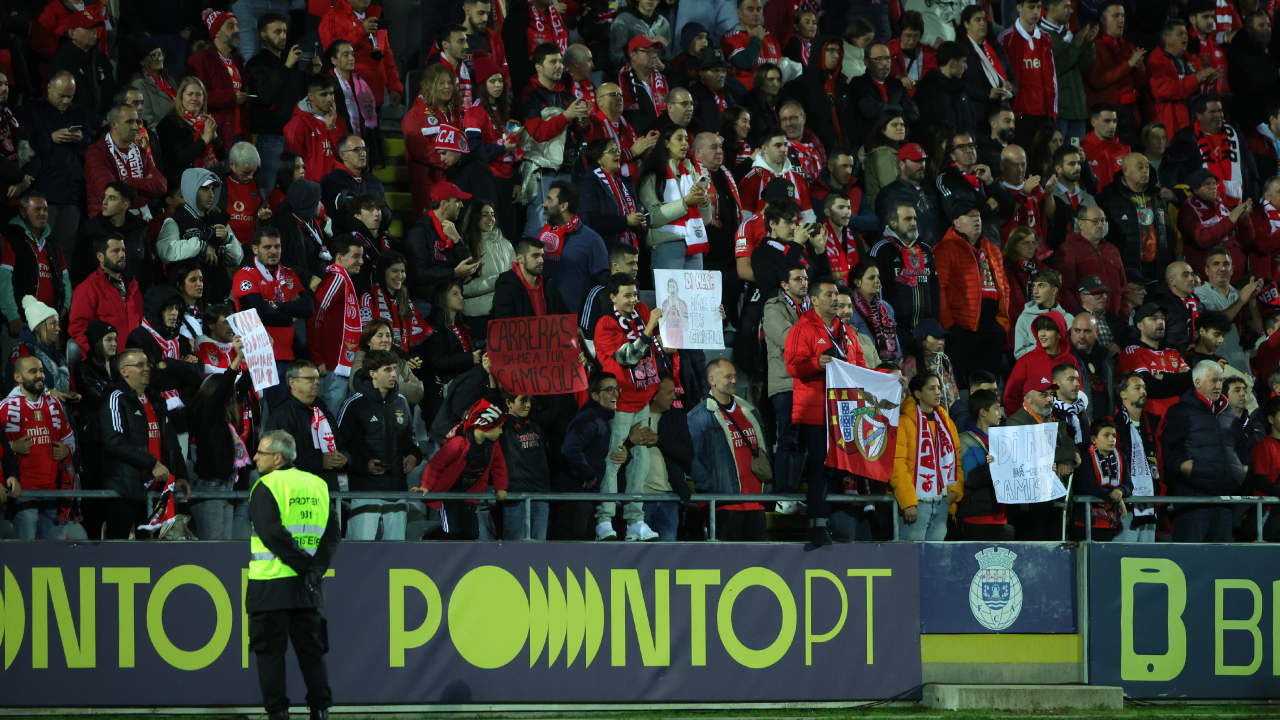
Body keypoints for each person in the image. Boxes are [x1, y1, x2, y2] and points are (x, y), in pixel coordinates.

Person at [246, 429, 340, 720]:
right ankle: (321, 710)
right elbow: (333, 534)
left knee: (270, 655)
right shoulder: (318, 484)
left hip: (270, 585)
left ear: (277, 458)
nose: (254, 457)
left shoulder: (266, 485)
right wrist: (314, 569)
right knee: (312, 654)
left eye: (260, 453)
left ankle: (278, 714)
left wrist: (303, 566)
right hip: (307, 587)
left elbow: (271, 533)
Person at [785, 278, 867, 546]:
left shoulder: (848, 332)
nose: (835, 298)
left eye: (837, 294)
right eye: (829, 294)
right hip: (816, 410)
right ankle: (817, 524)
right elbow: (793, 367)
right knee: (821, 466)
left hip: (843, 410)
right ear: (814, 300)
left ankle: (827, 521)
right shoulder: (803, 329)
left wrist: (889, 378)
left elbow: (862, 367)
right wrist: (816, 363)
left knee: (837, 468)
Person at [99, 348, 191, 539]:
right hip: (124, 490)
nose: (147, 368)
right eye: (139, 365)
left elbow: (171, 442)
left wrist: (180, 474)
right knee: (116, 553)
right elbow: (115, 442)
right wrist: (152, 463)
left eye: (147, 364)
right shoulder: (115, 398)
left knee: (150, 555)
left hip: (156, 491)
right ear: (124, 371)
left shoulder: (156, 399)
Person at [337, 349, 421, 541]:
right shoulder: (353, 404)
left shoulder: (401, 402)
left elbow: (410, 438)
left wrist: (414, 454)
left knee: (396, 554)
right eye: (387, 370)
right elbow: (340, 448)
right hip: (366, 491)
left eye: (395, 369)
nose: (393, 374)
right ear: (373, 373)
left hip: (397, 490)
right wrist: (363, 465)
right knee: (360, 553)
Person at [1161, 360, 1247, 542]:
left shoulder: (1228, 412)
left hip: (1224, 498)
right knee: (1192, 560)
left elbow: (1241, 445)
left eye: (1221, 381)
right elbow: (1166, 447)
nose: (1218, 386)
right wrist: (1182, 467)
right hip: (1193, 501)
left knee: (1220, 562)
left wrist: (1243, 468)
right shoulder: (1180, 411)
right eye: (1213, 380)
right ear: (1198, 382)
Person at [232, 227, 314, 410]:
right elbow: (259, 312)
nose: (273, 251)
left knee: (280, 417)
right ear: (255, 249)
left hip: (286, 357)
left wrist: (277, 306)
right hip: (257, 357)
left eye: (277, 246)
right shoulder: (244, 275)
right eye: (267, 247)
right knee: (257, 418)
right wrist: (291, 315)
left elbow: (308, 308)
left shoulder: (289, 274)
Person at [688, 358, 769, 540]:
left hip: (755, 502)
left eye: (735, 376)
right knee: (728, 563)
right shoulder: (698, 416)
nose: (734, 380)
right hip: (724, 505)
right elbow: (690, 457)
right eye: (728, 377)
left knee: (758, 564)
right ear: (712, 380)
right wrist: (712, 486)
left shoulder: (750, 410)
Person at [518, 44, 592, 239]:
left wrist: (584, 122)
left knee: (565, 226)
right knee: (538, 225)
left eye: (560, 61)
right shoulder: (529, 94)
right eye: (553, 62)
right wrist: (566, 116)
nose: (559, 66)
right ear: (538, 67)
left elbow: (579, 134)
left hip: (568, 170)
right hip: (543, 171)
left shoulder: (568, 96)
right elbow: (538, 134)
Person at [2, 355, 78, 540]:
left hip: (54, 491)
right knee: (26, 554)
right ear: (18, 377)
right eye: (33, 371)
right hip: (23, 492)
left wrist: (67, 449)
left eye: (41, 371)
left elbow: (69, 436)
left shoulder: (54, 404)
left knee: (55, 555)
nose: (39, 376)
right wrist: (12, 446)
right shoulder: (5, 407)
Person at [246, 13, 325, 190]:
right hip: (271, 138)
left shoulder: (296, 61)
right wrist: (287, 66)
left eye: (284, 31)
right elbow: (266, 95)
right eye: (276, 31)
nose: (282, 35)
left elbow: (307, 96)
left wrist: (315, 73)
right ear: (263, 35)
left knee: (297, 189)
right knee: (269, 188)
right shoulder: (256, 64)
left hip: (297, 136)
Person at [23, 71, 96, 259]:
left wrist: (80, 139)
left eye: (69, 96)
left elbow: (91, 148)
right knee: (38, 249)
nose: (65, 101)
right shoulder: (33, 109)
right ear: (49, 88)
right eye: (61, 95)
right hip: (44, 192)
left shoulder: (78, 112)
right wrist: (51, 138)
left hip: (72, 194)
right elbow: (26, 147)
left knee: (65, 251)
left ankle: (62, 288)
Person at [934, 203, 1009, 384]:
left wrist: (1001, 324)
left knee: (988, 385)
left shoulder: (992, 249)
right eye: (969, 216)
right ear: (956, 223)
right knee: (957, 387)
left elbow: (1004, 287)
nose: (977, 219)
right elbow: (939, 289)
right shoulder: (945, 248)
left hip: (991, 328)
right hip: (960, 329)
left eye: (978, 216)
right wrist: (949, 327)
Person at [414, 398, 508, 539]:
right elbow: (434, 465)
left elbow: (499, 465)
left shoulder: (493, 445)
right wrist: (426, 486)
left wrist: (501, 487)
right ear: (485, 425)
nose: (501, 432)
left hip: (469, 496)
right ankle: (428, 538)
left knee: (471, 533)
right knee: (451, 531)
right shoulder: (458, 444)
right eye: (498, 427)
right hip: (448, 495)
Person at [187, 333, 251, 540]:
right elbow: (225, 390)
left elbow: (241, 387)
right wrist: (237, 360)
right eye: (229, 396)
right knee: (213, 549)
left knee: (225, 548)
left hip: (226, 485)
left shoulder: (222, 420)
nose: (234, 399)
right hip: (210, 486)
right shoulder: (205, 414)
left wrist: (259, 354)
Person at [1006, 374, 1078, 539]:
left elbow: (1073, 448)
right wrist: (1069, 454)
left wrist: (1066, 463)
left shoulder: (1056, 421)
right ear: (1028, 398)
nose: (1049, 399)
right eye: (1043, 394)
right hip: (1029, 505)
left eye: (1051, 394)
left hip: (1055, 499)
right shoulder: (1016, 422)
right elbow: (1033, 454)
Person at [891, 372, 961, 540]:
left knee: (934, 561)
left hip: (942, 500)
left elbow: (956, 459)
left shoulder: (946, 422)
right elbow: (897, 465)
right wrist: (908, 502)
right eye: (931, 388)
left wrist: (954, 492)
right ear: (917, 394)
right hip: (917, 503)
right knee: (911, 561)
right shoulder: (903, 422)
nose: (938, 392)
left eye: (938, 387)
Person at [156, 168, 245, 301]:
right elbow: (166, 251)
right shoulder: (175, 220)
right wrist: (200, 245)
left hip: (219, 294)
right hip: (188, 299)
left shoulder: (219, 219)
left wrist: (227, 240)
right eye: (205, 189)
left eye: (212, 189)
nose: (211, 194)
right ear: (192, 190)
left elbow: (236, 259)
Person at [553, 372, 620, 539]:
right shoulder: (588, 419)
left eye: (617, 388)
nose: (616, 393)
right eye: (609, 389)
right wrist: (588, 474)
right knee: (573, 554)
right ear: (595, 396)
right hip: (574, 497)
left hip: (584, 498)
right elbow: (570, 449)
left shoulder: (600, 417)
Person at [637, 127, 714, 271]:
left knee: (696, 294)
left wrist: (703, 201)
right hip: (667, 246)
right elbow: (651, 218)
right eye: (679, 139)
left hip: (694, 244)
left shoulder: (691, 175)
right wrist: (685, 203)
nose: (685, 143)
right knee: (672, 294)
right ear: (666, 143)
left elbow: (705, 220)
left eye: (686, 139)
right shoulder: (653, 177)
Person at [1, 194, 72, 346]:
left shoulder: (53, 243)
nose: (43, 213)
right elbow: (3, 281)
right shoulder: (11, 238)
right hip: (22, 324)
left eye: (46, 210)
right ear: (23, 212)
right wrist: (12, 314)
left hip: (50, 327)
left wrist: (63, 309)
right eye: (37, 209)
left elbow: (65, 280)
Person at [308, 234, 364, 412]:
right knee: (331, 421)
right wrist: (317, 357)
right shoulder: (337, 280)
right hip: (331, 368)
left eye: (361, 256)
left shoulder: (344, 281)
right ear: (339, 257)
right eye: (356, 256)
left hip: (338, 367)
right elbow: (315, 317)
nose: (361, 261)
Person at [401, 66, 465, 221]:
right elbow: (418, 147)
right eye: (441, 83)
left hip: (453, 177)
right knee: (430, 225)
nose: (447, 87)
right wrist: (446, 160)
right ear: (430, 85)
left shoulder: (453, 110)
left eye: (449, 83)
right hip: (428, 180)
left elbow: (461, 140)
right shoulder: (417, 112)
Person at [1096, 153, 1172, 281]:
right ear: (1125, 170)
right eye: (1140, 167)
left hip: (1158, 269)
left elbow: (1167, 232)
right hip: (1126, 269)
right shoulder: (1109, 198)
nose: (1145, 171)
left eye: (1147, 167)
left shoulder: (1157, 196)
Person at [85, 104, 166, 220]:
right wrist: (144, 187)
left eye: (137, 122)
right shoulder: (96, 152)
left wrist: (127, 182)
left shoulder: (142, 153)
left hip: (139, 222)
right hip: (107, 224)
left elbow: (161, 186)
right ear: (114, 124)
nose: (135, 127)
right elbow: (109, 193)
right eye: (129, 122)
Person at [68, 233, 144, 354]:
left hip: (132, 360)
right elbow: (77, 328)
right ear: (100, 257)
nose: (122, 254)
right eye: (115, 251)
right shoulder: (88, 288)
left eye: (123, 250)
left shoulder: (133, 286)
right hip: (105, 364)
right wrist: (99, 355)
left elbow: (140, 323)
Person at [1085, 0, 1146, 148]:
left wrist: (1139, 67)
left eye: (1123, 16)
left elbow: (1141, 84)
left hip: (1131, 115)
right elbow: (1097, 81)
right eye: (1116, 15)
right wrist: (1128, 64)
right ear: (1103, 20)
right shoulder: (1094, 45)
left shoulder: (1127, 45)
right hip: (1107, 116)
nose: (1121, 20)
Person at [320, 0, 403, 107]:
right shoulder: (333, 16)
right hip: (347, 97)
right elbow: (333, 51)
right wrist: (361, 32)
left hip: (375, 96)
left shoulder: (375, 15)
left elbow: (386, 57)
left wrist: (394, 86)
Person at [1194, 248, 1264, 372]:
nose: (1222, 268)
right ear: (1206, 270)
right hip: (1213, 366)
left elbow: (1257, 328)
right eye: (1216, 264)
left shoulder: (1240, 294)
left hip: (1243, 366)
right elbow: (1214, 324)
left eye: (1226, 264)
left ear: (1232, 269)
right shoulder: (1198, 294)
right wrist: (1241, 301)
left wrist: (1252, 300)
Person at [185, 10, 248, 146]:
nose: (237, 30)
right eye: (230, 26)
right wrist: (231, 97)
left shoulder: (238, 62)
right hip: (214, 135)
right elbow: (194, 98)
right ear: (217, 32)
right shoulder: (201, 59)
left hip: (237, 133)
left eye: (237, 25)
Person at [956, 388, 1012, 539]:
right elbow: (971, 479)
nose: (1001, 413)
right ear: (982, 412)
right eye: (996, 409)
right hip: (976, 517)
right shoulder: (965, 440)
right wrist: (990, 467)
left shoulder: (1003, 441)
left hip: (1001, 515)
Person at [1180, 171, 1255, 283]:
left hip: (1235, 278)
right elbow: (1201, 239)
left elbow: (1248, 239)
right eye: (1207, 184)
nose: (1213, 186)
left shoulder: (1223, 206)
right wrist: (1230, 221)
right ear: (1195, 190)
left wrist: (1243, 219)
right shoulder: (1188, 211)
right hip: (1207, 281)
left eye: (1214, 183)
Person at [1145, 20, 1216, 137]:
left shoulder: (1191, 60)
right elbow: (1166, 90)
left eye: (1186, 34)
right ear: (1166, 39)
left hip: (1195, 124)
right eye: (1180, 34)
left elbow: (1203, 91)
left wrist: (1210, 83)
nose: (1185, 37)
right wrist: (1196, 78)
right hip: (1170, 126)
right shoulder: (1156, 61)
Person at [497, 390, 551, 540]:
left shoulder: (537, 423)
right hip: (515, 494)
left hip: (540, 493)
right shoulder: (501, 425)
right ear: (508, 403)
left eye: (530, 401)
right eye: (523, 401)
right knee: (515, 549)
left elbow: (556, 406)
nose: (528, 405)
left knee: (539, 548)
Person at [1054, 206, 1127, 317]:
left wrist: (1123, 317)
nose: (1101, 225)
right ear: (1081, 224)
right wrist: (1079, 315)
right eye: (1095, 221)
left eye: (1103, 220)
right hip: (1085, 321)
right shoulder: (1068, 250)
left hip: (1114, 321)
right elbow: (1064, 289)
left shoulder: (1112, 250)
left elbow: (1123, 287)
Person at [578, 139, 646, 249]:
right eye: (612, 151)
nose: (618, 153)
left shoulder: (625, 182)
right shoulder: (589, 183)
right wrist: (625, 221)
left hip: (629, 251)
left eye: (618, 150)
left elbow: (642, 209)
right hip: (604, 252)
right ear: (599, 159)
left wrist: (640, 222)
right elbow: (589, 222)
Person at [324, 41, 382, 170]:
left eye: (352, 54)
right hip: (338, 149)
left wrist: (375, 155)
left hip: (361, 150)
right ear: (333, 59)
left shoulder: (361, 85)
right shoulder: (326, 85)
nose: (351, 58)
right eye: (345, 55)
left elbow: (371, 121)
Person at [875, 143, 944, 248]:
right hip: (910, 255)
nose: (921, 164)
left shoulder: (930, 192)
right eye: (915, 161)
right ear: (902, 164)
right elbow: (885, 231)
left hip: (935, 253)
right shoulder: (890, 193)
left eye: (922, 160)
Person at [284, 76, 348, 185]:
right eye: (323, 94)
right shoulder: (298, 123)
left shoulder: (337, 119)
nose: (329, 99)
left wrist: (331, 129)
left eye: (331, 93)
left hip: (335, 184)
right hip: (311, 186)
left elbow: (343, 154)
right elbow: (293, 163)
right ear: (311, 96)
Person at [157, 77, 228, 173]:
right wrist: (205, 140)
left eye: (199, 94)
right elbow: (178, 159)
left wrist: (214, 136)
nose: (194, 98)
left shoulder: (207, 121)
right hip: (183, 180)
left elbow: (225, 158)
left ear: (203, 99)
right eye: (190, 94)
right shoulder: (169, 123)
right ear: (181, 97)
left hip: (213, 175)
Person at [912, 41, 978, 139]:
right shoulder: (927, 90)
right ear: (952, 63)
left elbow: (970, 122)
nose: (966, 66)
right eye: (964, 61)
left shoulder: (960, 89)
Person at [1229, 12, 1279, 133]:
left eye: (1268, 25)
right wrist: (1276, 74)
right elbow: (1245, 83)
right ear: (1250, 31)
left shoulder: (1272, 51)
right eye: (1261, 25)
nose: (1267, 28)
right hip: (1252, 123)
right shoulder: (1239, 53)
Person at [321, 135, 387, 222]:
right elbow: (331, 217)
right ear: (343, 155)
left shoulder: (375, 181)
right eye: (357, 150)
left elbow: (386, 212)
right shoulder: (330, 182)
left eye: (364, 149)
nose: (363, 153)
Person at [721, 0, 784, 91]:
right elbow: (746, 62)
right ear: (740, 13)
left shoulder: (771, 39)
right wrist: (756, 39)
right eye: (750, 9)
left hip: (771, 93)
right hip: (746, 94)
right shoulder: (731, 38)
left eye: (759, 9)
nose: (756, 13)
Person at [218, 143, 269, 251]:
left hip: (251, 248)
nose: (250, 176)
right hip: (226, 248)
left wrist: (265, 219)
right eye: (245, 173)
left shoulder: (260, 184)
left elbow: (263, 224)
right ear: (232, 164)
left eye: (253, 172)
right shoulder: (218, 184)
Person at [1013, 269, 1074, 358]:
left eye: (1041, 286)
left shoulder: (1068, 319)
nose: (1035, 291)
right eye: (1034, 286)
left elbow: (1074, 350)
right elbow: (1019, 354)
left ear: (1054, 291)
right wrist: (1045, 345)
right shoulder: (1024, 318)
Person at [1046, 145, 1096, 249]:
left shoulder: (1088, 198)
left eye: (1078, 163)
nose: (1077, 167)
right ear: (1058, 169)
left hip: (1086, 254)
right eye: (1072, 164)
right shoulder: (1050, 196)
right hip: (1059, 256)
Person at [860, 114, 908, 209]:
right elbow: (891, 189)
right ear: (883, 130)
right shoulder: (884, 155)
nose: (900, 128)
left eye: (902, 125)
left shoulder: (893, 151)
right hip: (889, 212)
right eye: (894, 125)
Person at [1080, 104, 1131, 193]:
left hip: (1120, 203)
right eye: (1107, 121)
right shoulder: (1082, 150)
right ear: (1093, 122)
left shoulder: (1126, 150)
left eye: (1114, 121)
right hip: (1093, 203)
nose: (1112, 126)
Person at [688, 50, 734, 138]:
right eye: (716, 70)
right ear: (702, 73)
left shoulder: (732, 94)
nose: (721, 75)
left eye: (724, 70)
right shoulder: (692, 95)